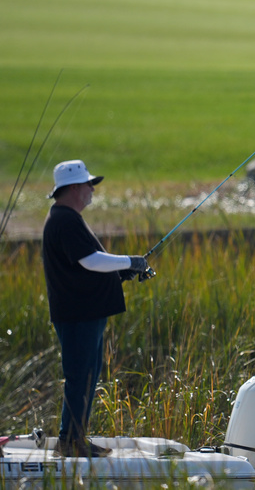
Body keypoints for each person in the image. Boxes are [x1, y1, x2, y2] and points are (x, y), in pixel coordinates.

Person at [42, 160, 152, 458]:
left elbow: (89, 264)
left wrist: (118, 272)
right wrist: (131, 262)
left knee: (87, 375)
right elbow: (89, 261)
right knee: (80, 376)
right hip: (78, 316)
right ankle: (70, 442)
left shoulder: (67, 218)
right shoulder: (65, 220)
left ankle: (75, 438)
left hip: (84, 314)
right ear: (75, 188)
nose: (92, 190)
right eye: (89, 184)